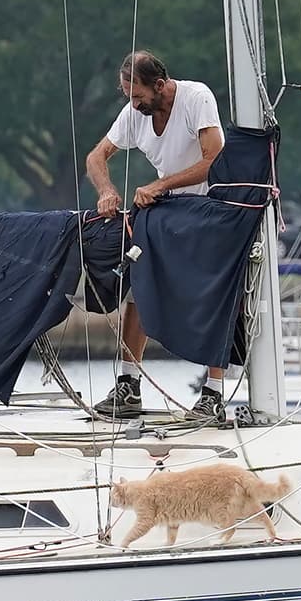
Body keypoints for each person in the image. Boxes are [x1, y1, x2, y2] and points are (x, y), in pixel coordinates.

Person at [85, 50, 227, 420]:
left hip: (210, 207)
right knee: (139, 287)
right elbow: (96, 157)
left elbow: (214, 159)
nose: (133, 104)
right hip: (166, 212)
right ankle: (128, 385)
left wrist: (161, 184)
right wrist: (106, 191)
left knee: (214, 297)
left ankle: (213, 394)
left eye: (137, 96)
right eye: (127, 96)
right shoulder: (135, 114)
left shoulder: (197, 98)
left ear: (160, 86)